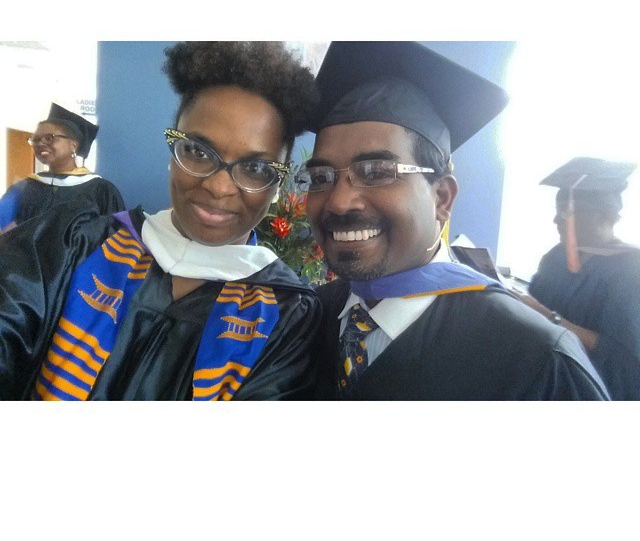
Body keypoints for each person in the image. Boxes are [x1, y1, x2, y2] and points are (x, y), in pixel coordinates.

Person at [0, 41, 322, 400]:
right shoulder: (76, 244)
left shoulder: (284, 314)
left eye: (256, 167)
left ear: (278, 182)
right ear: (173, 151)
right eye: (197, 151)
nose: (218, 186)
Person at [300, 41, 609, 400]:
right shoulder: (306, 318)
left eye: (376, 171)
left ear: (441, 198)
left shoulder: (540, 361)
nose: (338, 202)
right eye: (321, 178)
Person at [518, 157, 640, 400]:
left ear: (602, 215)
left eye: (566, 211)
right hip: (545, 382)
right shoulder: (556, 256)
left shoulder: (631, 271)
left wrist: (549, 318)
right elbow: (530, 307)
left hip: (593, 393)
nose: (556, 220)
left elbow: (622, 360)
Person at [0, 103, 125, 234]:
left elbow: (117, 237)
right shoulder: (24, 187)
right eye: (35, 139)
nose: (40, 143)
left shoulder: (101, 190)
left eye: (49, 138)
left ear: (73, 145)